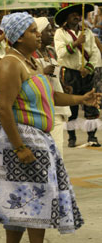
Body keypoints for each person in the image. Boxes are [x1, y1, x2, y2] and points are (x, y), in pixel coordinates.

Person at [0, 12, 100, 243]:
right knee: (35, 198)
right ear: (17, 37)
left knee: (20, 198)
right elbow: (4, 108)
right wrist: (19, 147)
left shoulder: (32, 62)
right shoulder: (9, 65)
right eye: (31, 31)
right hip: (21, 138)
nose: (38, 33)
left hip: (36, 138)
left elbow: (50, 96)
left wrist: (80, 100)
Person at [54, 4, 101, 147]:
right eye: (73, 14)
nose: (77, 17)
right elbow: (60, 53)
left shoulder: (86, 32)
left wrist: (88, 67)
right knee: (72, 105)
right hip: (70, 74)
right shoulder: (60, 33)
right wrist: (76, 43)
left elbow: (95, 53)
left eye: (78, 14)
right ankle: (72, 137)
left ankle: (92, 137)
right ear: (66, 18)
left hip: (87, 73)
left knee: (91, 104)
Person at [33, 17, 71, 157]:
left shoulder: (51, 51)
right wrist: (43, 73)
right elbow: (27, 80)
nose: (53, 33)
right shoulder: (30, 55)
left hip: (56, 106)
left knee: (57, 149)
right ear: (39, 33)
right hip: (39, 107)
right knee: (42, 150)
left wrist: (64, 85)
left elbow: (57, 75)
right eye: (48, 31)